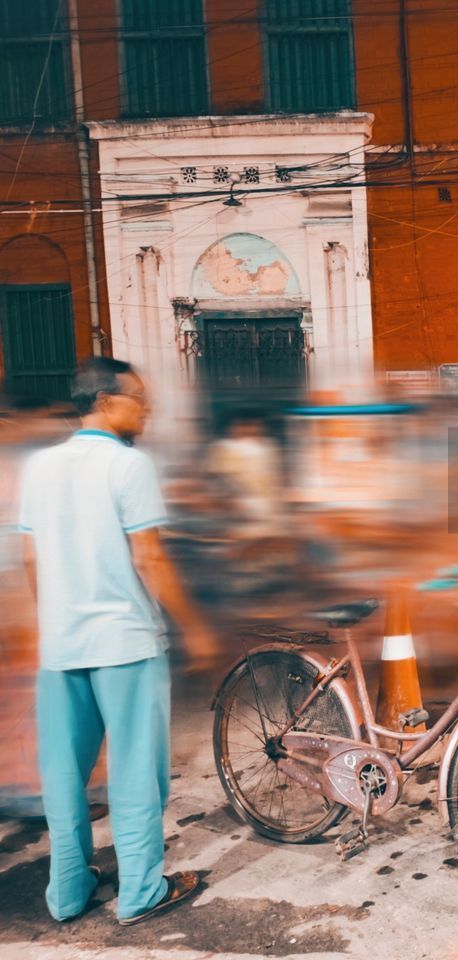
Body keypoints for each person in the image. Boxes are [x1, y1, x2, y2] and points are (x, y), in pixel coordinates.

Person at [17, 358, 217, 925]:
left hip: (62, 647)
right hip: (126, 643)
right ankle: (140, 892)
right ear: (104, 401)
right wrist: (194, 625)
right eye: (138, 398)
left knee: (63, 774)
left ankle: (69, 890)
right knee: (134, 773)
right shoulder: (128, 466)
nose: (147, 409)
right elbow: (148, 556)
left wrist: (58, 618)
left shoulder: (41, 467)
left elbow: (32, 558)